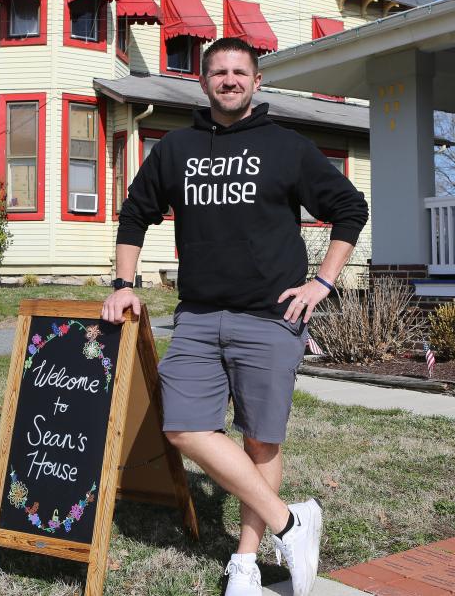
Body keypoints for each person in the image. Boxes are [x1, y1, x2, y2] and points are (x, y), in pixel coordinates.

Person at [101, 37, 369, 596]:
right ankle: (291, 522)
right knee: (182, 426)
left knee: (261, 440)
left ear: (256, 81)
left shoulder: (287, 146)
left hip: (271, 317)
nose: (229, 80)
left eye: (239, 72)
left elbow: (349, 209)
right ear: (203, 83)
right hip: (198, 316)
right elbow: (135, 214)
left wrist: (322, 282)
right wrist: (124, 285)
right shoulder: (176, 149)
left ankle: (246, 561)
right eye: (218, 72)